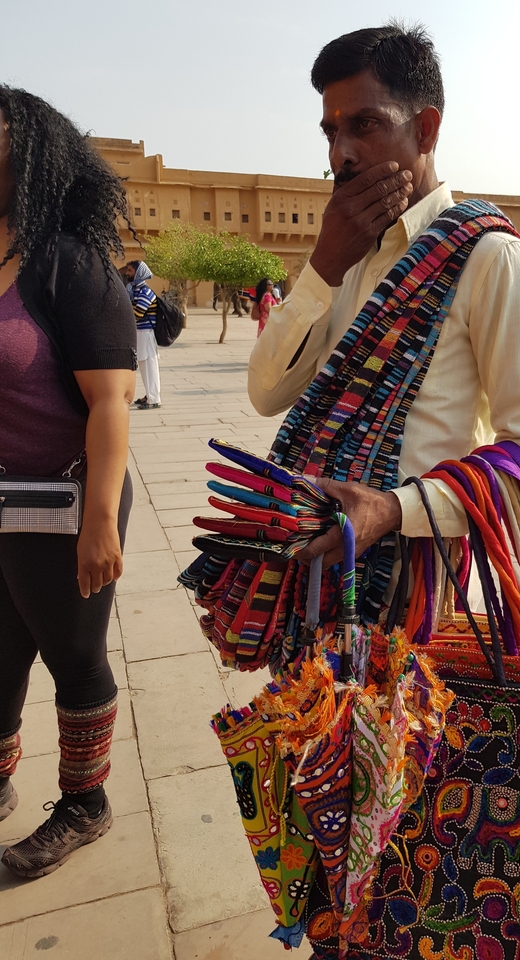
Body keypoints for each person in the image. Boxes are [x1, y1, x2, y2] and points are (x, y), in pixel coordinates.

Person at [246, 22, 520, 590]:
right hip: (318, 582)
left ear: (426, 129)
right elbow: (267, 394)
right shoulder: (343, 256)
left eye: (365, 125)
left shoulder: (491, 260)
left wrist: (393, 509)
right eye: (330, 132)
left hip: (416, 588)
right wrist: (322, 266)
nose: (340, 155)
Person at [0, 86, 136, 877]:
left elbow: (112, 400)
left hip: (64, 501)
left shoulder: (68, 264)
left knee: (72, 655)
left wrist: (100, 524)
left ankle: (86, 802)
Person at [125, 260, 161, 409]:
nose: (127, 274)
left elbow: (138, 314)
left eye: (130, 271)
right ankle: (149, 395)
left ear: (138, 273)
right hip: (140, 333)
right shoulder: (135, 290)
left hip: (146, 333)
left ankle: (154, 399)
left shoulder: (145, 292)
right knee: (143, 365)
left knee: (149, 366)